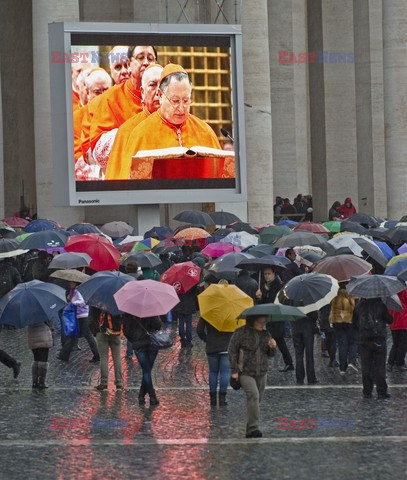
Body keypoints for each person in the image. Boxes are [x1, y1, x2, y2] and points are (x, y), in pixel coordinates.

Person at [111, 63, 228, 180]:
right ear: (160, 95)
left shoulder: (205, 131)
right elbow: (129, 184)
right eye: (175, 101)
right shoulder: (141, 133)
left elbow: (222, 178)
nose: (181, 108)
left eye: (186, 100)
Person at [88, 45, 157, 154]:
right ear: (130, 64)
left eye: (150, 58)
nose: (146, 62)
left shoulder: (165, 95)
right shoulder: (110, 98)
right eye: (140, 58)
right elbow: (96, 149)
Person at [105, 64, 163, 178]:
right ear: (142, 92)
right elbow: (116, 177)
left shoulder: (177, 124)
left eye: (163, 86)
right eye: (152, 85)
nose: (158, 91)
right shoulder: (127, 130)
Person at [229, 315, 276, 438]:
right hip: (245, 372)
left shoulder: (266, 334)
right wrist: (234, 370)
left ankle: (251, 423)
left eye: (264, 322)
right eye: (260, 322)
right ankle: (253, 429)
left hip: (262, 371)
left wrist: (272, 347)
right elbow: (232, 351)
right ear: (252, 321)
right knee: (253, 395)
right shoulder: (241, 333)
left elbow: (271, 354)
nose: (262, 324)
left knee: (257, 399)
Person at [352, 297, 393, 399]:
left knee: (366, 367)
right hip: (379, 339)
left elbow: (354, 322)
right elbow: (389, 320)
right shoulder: (381, 305)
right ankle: (381, 391)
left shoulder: (359, 305)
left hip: (364, 340)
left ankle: (367, 391)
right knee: (380, 366)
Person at [256, 266, 294, 372]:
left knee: (278, 340)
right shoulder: (264, 286)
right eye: (265, 274)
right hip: (267, 317)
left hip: (276, 317)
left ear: (274, 274)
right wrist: (259, 297)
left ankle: (289, 363)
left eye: (268, 273)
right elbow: (263, 303)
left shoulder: (279, 285)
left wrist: (267, 294)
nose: (266, 276)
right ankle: (288, 363)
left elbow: (278, 300)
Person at [123, 315, 162, 406]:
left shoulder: (129, 312)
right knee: (147, 371)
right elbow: (158, 325)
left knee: (146, 371)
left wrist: (133, 339)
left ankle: (141, 395)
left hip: (139, 345)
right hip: (152, 343)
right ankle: (152, 397)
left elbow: (126, 330)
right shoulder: (151, 309)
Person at [57, 281, 100, 363]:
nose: (69, 284)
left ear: (75, 283)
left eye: (71, 283)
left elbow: (82, 302)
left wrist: (73, 301)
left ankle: (97, 355)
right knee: (73, 335)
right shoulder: (74, 291)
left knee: (87, 336)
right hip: (79, 315)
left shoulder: (79, 291)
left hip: (82, 316)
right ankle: (64, 355)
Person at [197, 315, 232, 406]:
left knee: (213, 372)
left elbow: (199, 330)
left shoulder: (208, 311)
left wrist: (207, 339)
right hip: (226, 346)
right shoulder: (230, 311)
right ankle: (222, 398)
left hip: (212, 346)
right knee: (225, 372)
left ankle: (212, 399)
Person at [91, 308, 124, 390]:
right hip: (116, 333)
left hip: (102, 332)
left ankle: (104, 382)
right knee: (117, 357)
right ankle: (119, 382)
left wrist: (95, 331)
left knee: (103, 358)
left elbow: (91, 318)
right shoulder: (118, 303)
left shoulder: (98, 302)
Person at [329, 285, 358, 374]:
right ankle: (351, 362)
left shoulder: (333, 293)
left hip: (336, 321)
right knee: (352, 342)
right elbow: (353, 308)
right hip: (348, 320)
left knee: (342, 344)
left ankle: (342, 368)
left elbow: (331, 306)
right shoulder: (350, 293)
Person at [292, 312, 318, 385]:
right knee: (309, 354)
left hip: (296, 327)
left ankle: (299, 378)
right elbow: (314, 315)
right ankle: (311, 378)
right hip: (308, 327)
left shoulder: (291, 300)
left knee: (298, 354)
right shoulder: (309, 301)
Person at [27, 321, 53, 388]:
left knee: (36, 359)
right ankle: (41, 382)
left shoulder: (27, 314)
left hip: (32, 335)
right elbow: (49, 323)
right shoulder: (44, 313)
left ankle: (35, 382)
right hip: (44, 335)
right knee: (43, 360)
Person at [388, 289, 407, 372]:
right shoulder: (405, 292)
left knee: (395, 344)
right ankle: (399, 363)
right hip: (404, 321)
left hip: (394, 321)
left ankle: (391, 362)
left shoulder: (392, 293)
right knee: (403, 344)